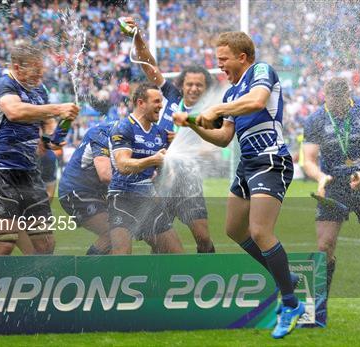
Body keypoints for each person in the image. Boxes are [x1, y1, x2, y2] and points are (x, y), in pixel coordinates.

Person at [173, 31, 303, 338]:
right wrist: (192, 122)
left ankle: (291, 302)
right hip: (247, 164)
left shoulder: (261, 71)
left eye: (223, 60)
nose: (219, 67)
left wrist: (216, 110)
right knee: (234, 229)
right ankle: (284, 275)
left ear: (241, 57)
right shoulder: (231, 94)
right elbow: (223, 138)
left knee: (260, 231)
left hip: (270, 160)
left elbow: (257, 101)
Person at [120, 17, 215, 253]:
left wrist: (182, 148)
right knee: (161, 239)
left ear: (206, 89)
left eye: (199, 85)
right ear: (182, 85)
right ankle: (160, 284)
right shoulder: (172, 96)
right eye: (189, 84)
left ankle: (208, 279)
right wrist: (137, 36)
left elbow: (212, 148)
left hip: (187, 180)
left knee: (203, 236)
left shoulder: (210, 111)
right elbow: (147, 63)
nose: (193, 88)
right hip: (159, 177)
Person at [0, 41, 79, 256]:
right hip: (2, 171)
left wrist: (49, 139)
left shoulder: (39, 89)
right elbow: (15, 111)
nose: (40, 77)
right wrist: (57, 109)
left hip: (30, 171)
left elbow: (46, 121)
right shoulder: (4, 85)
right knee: (6, 242)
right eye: (35, 72)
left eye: (41, 71)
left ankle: (38, 286)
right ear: (17, 68)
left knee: (45, 243)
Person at [302, 77, 360, 305]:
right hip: (333, 185)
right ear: (325, 96)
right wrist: (320, 178)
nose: (337, 105)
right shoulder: (315, 119)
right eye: (332, 100)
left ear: (348, 95)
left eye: (342, 99)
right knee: (324, 245)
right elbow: (309, 160)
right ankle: (319, 304)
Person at [109, 82, 183, 255]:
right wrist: (153, 160)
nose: (161, 106)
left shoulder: (160, 133)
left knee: (176, 254)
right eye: (156, 101)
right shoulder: (124, 127)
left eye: (161, 102)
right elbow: (122, 165)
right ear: (141, 103)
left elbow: (172, 159)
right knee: (122, 255)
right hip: (123, 198)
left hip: (147, 199)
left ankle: (157, 282)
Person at [58, 121, 113, 255]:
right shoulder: (102, 133)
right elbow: (105, 175)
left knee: (118, 237)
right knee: (113, 233)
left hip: (93, 192)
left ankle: (106, 274)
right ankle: (86, 271)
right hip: (76, 190)